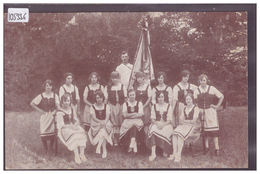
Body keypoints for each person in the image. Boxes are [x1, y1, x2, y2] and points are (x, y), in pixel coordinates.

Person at [193, 74, 224, 156]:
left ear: (207, 81)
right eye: (201, 80)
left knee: (214, 131)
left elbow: (221, 96)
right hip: (201, 112)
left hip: (210, 112)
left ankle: (217, 148)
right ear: (199, 81)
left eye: (204, 80)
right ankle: (206, 148)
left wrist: (216, 106)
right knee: (204, 131)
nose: (203, 82)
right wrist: (197, 108)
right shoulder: (196, 90)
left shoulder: (212, 89)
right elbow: (195, 102)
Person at [168, 93, 201, 162]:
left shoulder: (196, 108)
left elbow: (194, 121)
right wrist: (187, 121)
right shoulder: (184, 108)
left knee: (180, 135)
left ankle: (178, 155)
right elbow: (180, 120)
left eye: (189, 99)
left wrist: (185, 121)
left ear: (192, 100)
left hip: (194, 128)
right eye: (186, 99)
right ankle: (174, 153)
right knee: (174, 134)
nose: (188, 100)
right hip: (185, 126)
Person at [30, 79, 60, 154]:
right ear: (44, 87)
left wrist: (56, 111)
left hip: (53, 116)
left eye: (50, 85)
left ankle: (51, 147)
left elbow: (58, 106)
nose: (48, 87)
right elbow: (32, 103)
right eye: (47, 85)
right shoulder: (41, 96)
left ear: (52, 86)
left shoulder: (55, 95)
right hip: (44, 116)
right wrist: (39, 110)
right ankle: (45, 148)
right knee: (44, 132)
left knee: (53, 132)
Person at [56, 94, 87, 164]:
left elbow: (76, 120)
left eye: (68, 101)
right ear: (61, 102)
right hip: (64, 129)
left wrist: (76, 125)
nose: (66, 103)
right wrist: (71, 127)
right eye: (65, 101)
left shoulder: (72, 109)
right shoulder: (59, 112)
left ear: (70, 102)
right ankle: (76, 155)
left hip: (72, 126)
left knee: (81, 131)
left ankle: (82, 154)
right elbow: (61, 125)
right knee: (74, 135)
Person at [146, 91, 173, 161]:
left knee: (168, 130)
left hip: (166, 124)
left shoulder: (169, 106)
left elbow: (169, 120)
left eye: (162, 97)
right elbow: (152, 119)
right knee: (152, 128)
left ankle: (165, 150)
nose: (161, 98)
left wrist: (163, 125)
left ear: (164, 97)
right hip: (157, 123)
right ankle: (153, 152)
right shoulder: (154, 106)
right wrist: (158, 124)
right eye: (159, 97)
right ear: (157, 98)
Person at [104, 71, 127, 146]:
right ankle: (115, 140)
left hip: (121, 106)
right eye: (113, 78)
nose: (115, 80)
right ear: (111, 79)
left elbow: (126, 98)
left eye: (116, 78)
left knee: (122, 122)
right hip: (112, 106)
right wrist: (105, 108)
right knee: (114, 123)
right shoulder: (108, 87)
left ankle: (122, 139)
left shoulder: (122, 86)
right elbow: (106, 99)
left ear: (118, 78)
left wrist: (126, 107)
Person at [88, 90, 113, 158]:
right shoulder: (92, 107)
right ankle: (103, 149)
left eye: (101, 97)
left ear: (103, 98)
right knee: (103, 129)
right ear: (95, 99)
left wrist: (104, 122)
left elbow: (108, 116)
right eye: (97, 98)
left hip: (105, 122)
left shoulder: (106, 106)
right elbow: (94, 117)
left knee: (103, 129)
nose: (99, 99)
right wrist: (100, 122)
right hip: (96, 123)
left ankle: (101, 147)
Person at [119, 89, 144, 155]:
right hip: (127, 122)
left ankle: (132, 146)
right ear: (128, 96)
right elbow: (124, 115)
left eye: (133, 95)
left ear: (135, 95)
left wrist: (129, 115)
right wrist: (135, 114)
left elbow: (141, 114)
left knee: (134, 126)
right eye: (130, 95)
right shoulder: (125, 104)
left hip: (137, 121)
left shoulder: (139, 103)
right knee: (132, 126)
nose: (132, 96)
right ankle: (134, 147)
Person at [133, 71, 152, 136]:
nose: (139, 79)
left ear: (143, 78)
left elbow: (149, 98)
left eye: (140, 78)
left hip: (145, 106)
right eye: (138, 78)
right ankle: (139, 139)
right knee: (138, 122)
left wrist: (144, 106)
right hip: (137, 107)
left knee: (146, 123)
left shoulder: (147, 87)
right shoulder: (135, 87)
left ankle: (146, 139)